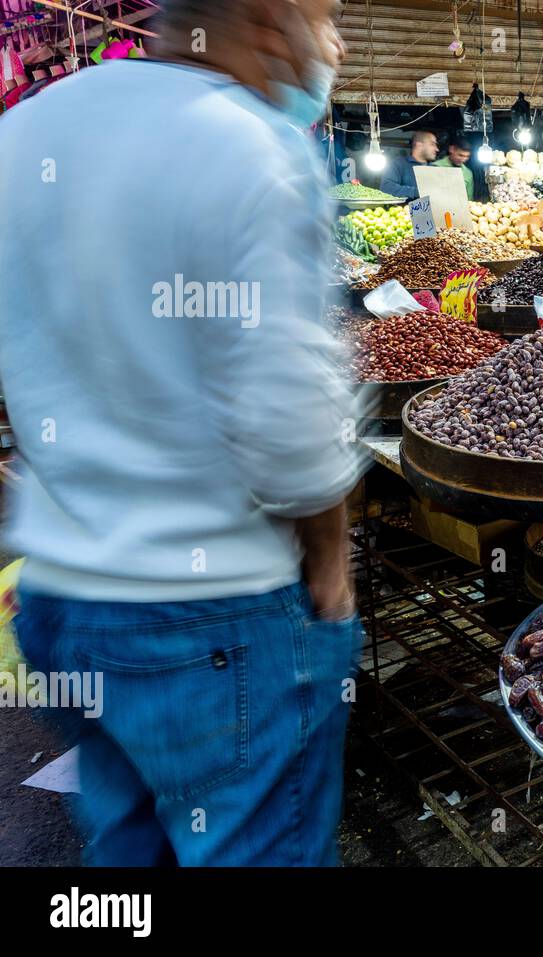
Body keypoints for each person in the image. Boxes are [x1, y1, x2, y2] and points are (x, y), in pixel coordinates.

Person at [0, 0, 366, 866]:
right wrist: (329, 563)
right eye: (329, 17)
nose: (340, 44)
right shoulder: (250, 146)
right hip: (220, 619)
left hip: (66, 594)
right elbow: (289, 414)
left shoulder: (26, 131)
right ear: (272, 23)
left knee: (128, 854)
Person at [380, 128, 437, 199]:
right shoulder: (398, 164)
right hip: (404, 209)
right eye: (432, 144)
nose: (437, 149)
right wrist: (419, 192)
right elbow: (387, 188)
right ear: (419, 145)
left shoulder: (435, 168)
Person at [434, 131, 474, 200]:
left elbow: (469, 199)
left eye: (467, 156)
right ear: (451, 149)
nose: (463, 160)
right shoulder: (435, 167)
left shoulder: (468, 173)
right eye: (460, 155)